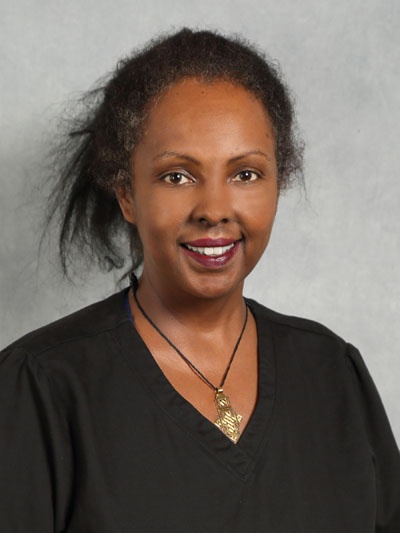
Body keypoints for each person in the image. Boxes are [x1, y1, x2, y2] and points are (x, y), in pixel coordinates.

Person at [0, 28, 399, 533]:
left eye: (245, 174)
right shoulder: (40, 386)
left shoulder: (333, 372)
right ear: (127, 194)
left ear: (278, 182)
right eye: (178, 176)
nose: (214, 209)